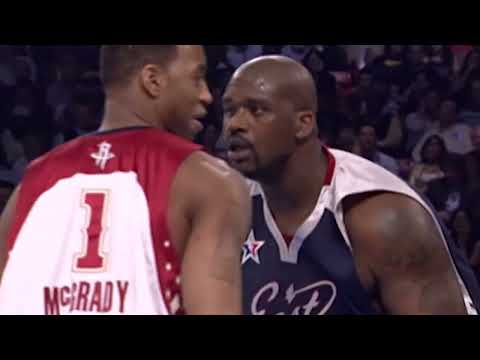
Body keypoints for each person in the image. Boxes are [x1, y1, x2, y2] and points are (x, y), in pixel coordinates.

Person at [0, 45, 251, 315]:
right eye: (197, 77)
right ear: (153, 80)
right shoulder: (210, 182)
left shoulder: (32, 183)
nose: (206, 96)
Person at [223, 55, 480, 315]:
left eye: (256, 110)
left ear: (303, 124)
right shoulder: (226, 206)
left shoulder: (385, 216)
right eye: (230, 111)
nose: (234, 124)